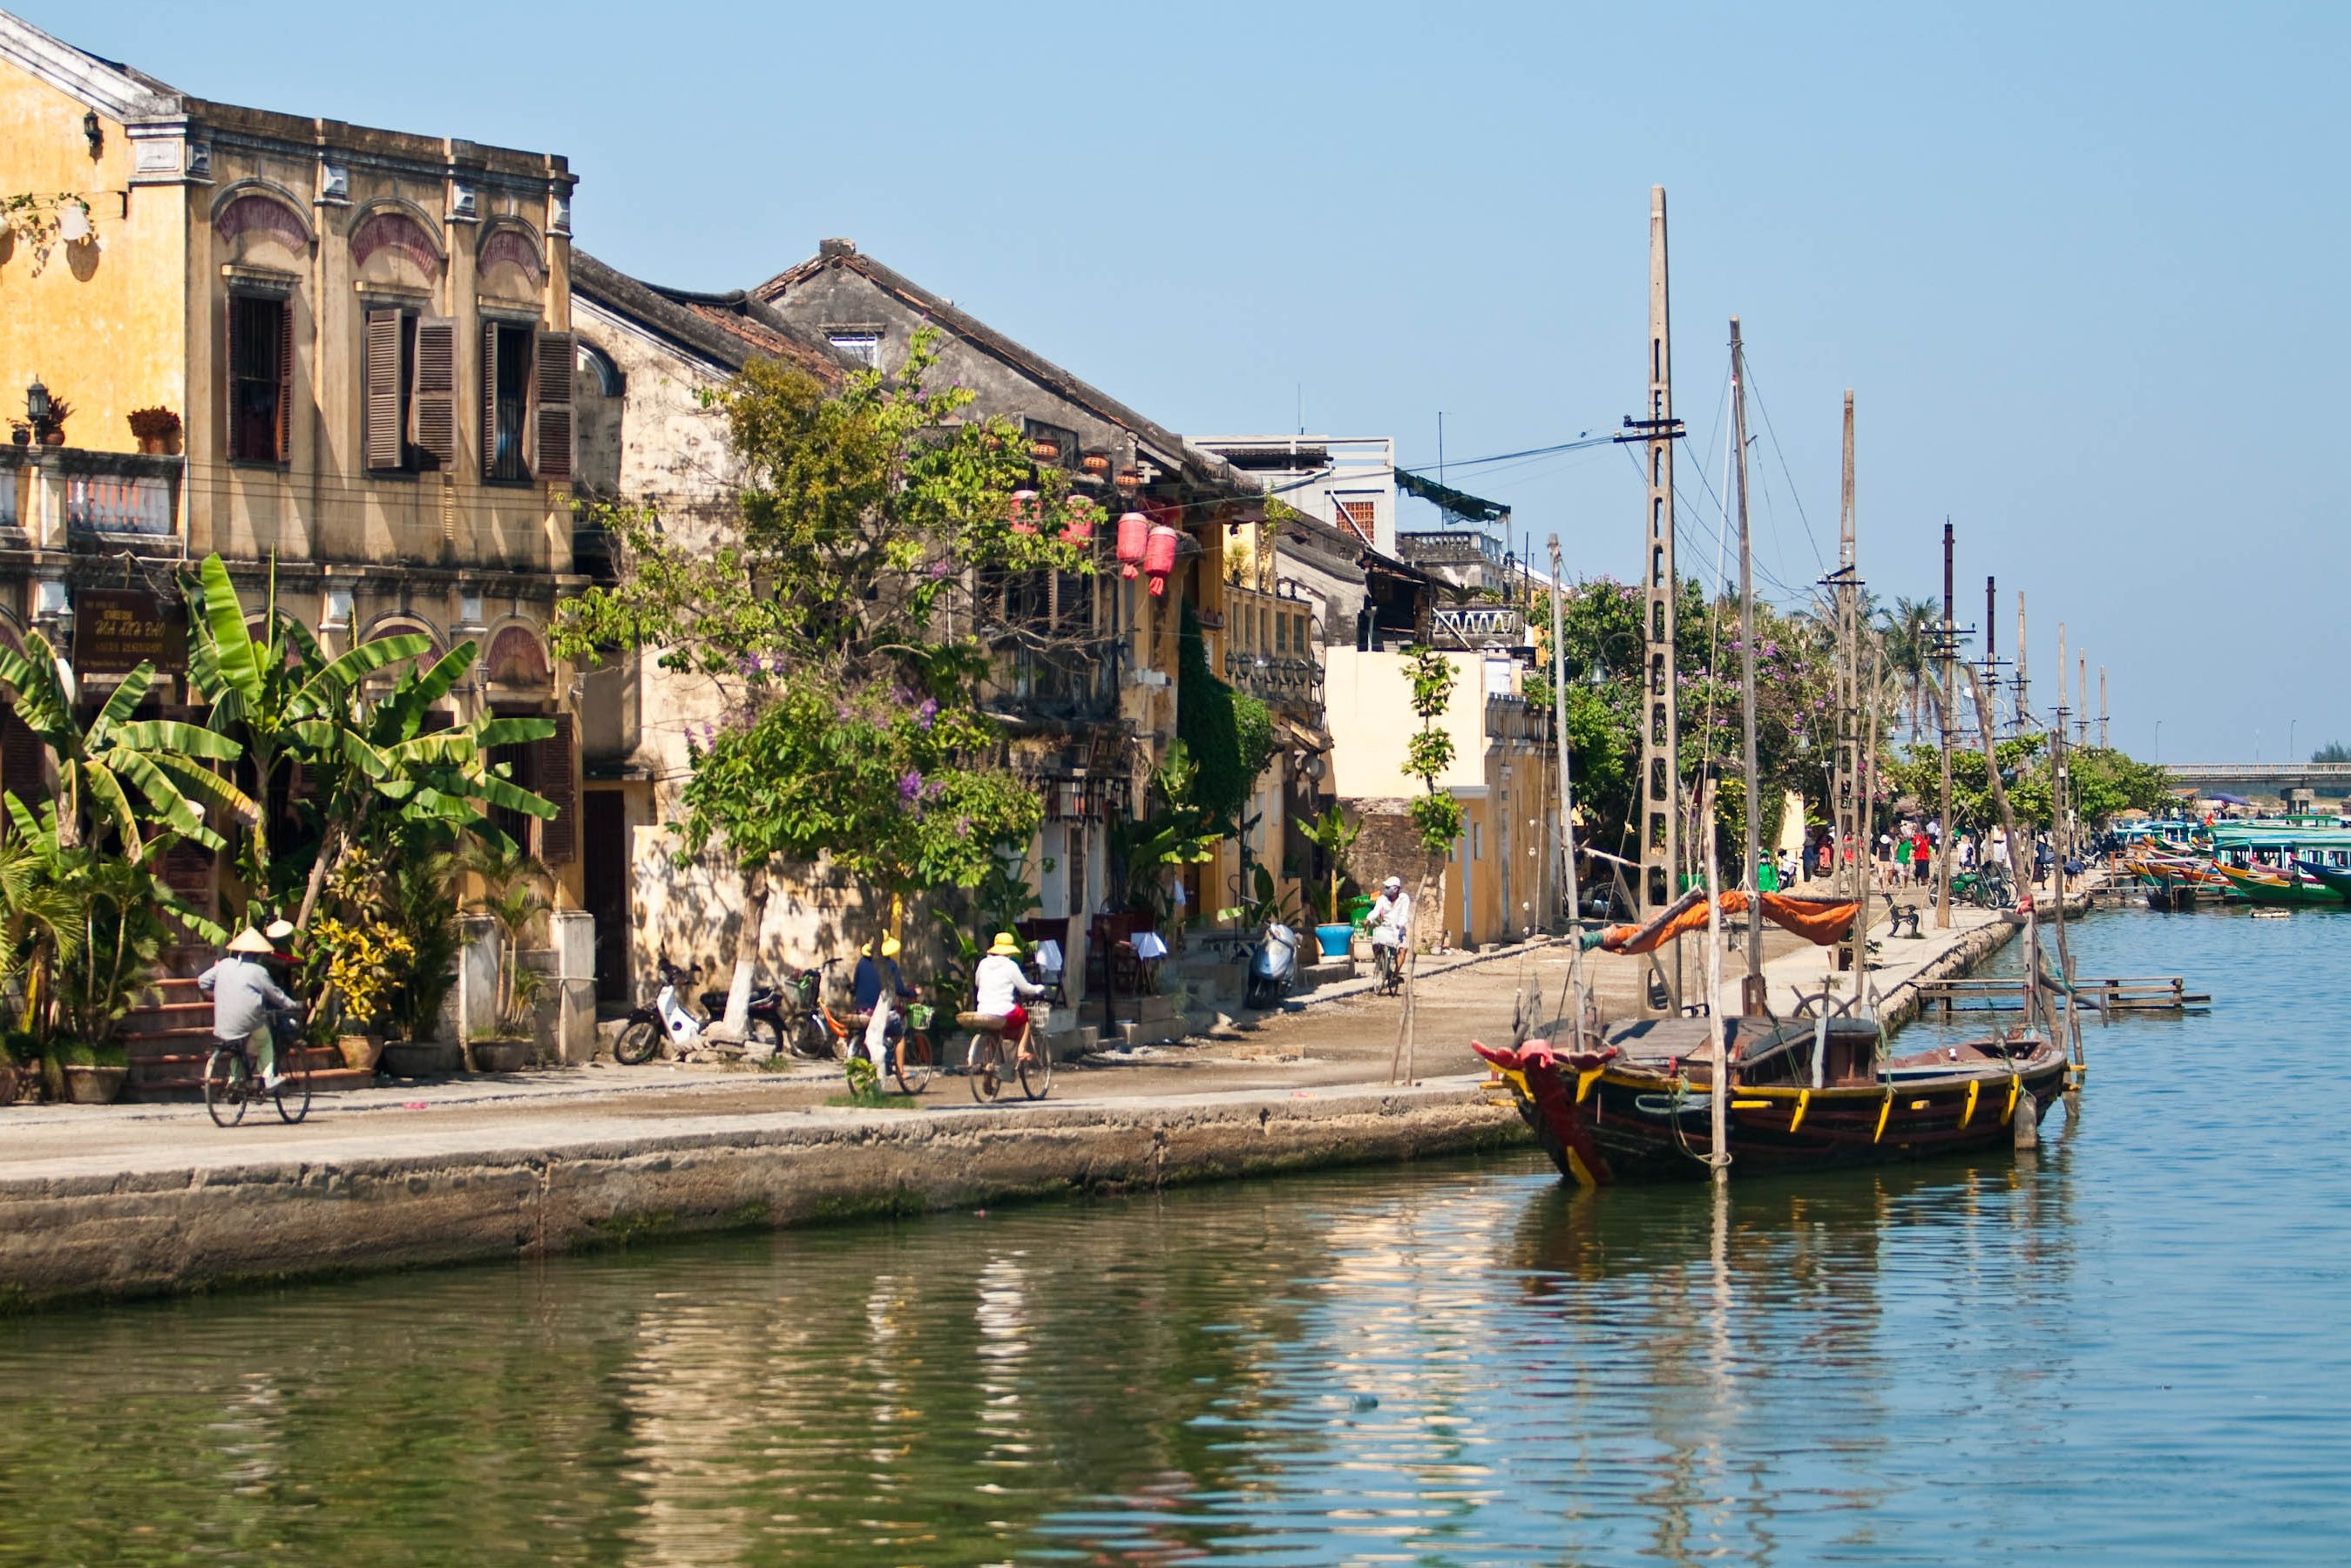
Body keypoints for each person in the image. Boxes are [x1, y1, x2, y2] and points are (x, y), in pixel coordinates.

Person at [198, 928, 300, 1088]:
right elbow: (276, 995)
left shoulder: (224, 965)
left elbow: (202, 981)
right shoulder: (259, 971)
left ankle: (234, 1080)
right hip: (250, 1021)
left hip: (223, 1021)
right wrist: (293, 1005)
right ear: (258, 954)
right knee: (265, 1040)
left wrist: (220, 985)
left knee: (237, 1045)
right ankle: (268, 1077)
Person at [973, 930, 1044, 1064]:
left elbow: (977, 982)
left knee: (993, 1035)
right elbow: (1025, 988)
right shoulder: (1010, 966)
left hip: (983, 1010)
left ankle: (988, 1079)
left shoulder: (983, 963)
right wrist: (1037, 989)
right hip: (1003, 1011)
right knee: (1024, 1020)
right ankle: (1021, 1051)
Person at [854, 934, 917, 1071]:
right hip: (878, 1012)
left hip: (862, 1011)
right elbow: (899, 989)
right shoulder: (889, 964)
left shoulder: (861, 963)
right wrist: (912, 993)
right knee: (899, 1036)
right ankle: (901, 1072)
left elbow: (855, 987)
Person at [1368, 876, 1412, 962]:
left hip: (1398, 930)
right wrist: (1368, 919)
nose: (1386, 889)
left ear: (1396, 889)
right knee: (1375, 944)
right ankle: (1378, 963)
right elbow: (1376, 911)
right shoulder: (1382, 899)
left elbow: (1404, 914)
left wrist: (1399, 925)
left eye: (1388, 888)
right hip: (1385, 928)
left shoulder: (1404, 898)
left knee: (1402, 950)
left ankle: (1395, 973)